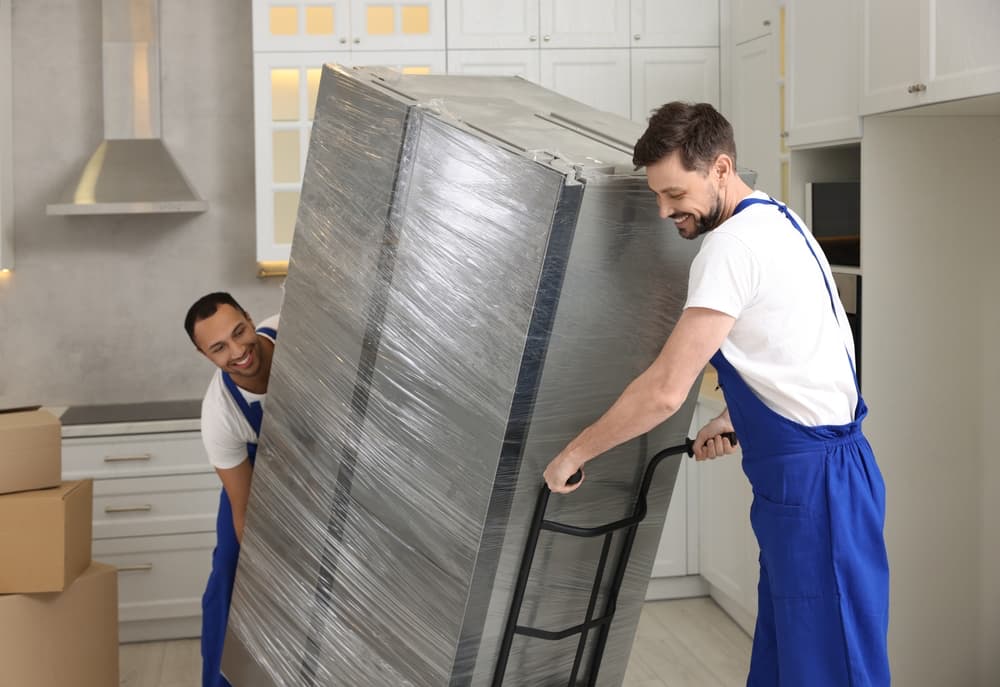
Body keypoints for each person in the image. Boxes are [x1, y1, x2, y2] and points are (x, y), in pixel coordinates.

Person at [543, 102, 889, 686]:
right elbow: (803, 348)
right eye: (657, 196)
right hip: (822, 477)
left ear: (720, 168)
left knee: (830, 671)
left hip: (817, 487)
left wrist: (574, 454)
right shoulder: (778, 219)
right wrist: (735, 416)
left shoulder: (729, 248)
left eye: (674, 193)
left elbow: (664, 390)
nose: (663, 210)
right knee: (788, 664)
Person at [184, 292, 279, 687]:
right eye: (219, 347)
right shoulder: (220, 414)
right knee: (229, 570)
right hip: (257, 473)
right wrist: (264, 575)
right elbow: (243, 508)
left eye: (239, 332)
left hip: (322, 455)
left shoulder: (297, 335)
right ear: (205, 355)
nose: (238, 351)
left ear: (250, 319)